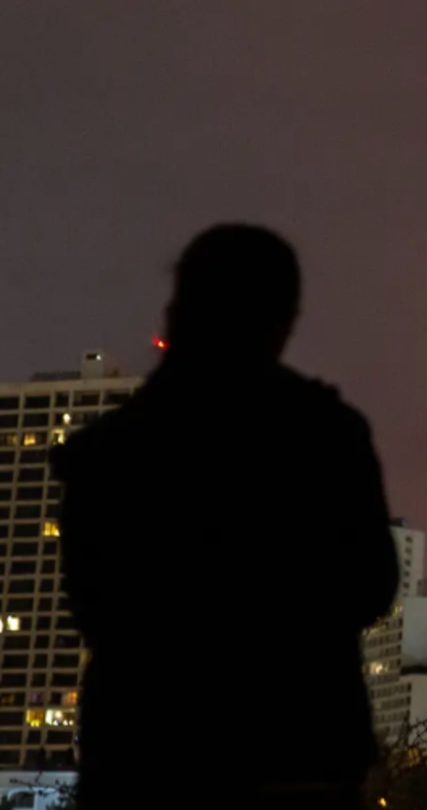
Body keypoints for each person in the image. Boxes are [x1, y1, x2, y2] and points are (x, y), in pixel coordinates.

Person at [54, 225, 399, 809]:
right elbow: (371, 585)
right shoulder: (324, 436)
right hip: (296, 756)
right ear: (283, 320)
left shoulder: (109, 452)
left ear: (177, 311)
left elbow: (93, 604)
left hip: (145, 760)